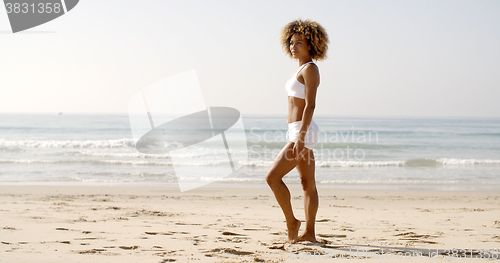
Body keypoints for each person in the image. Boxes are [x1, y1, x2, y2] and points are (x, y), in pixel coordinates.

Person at [266, 19, 329, 243]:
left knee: (272, 177)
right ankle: (310, 233)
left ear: (310, 44)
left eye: (299, 42)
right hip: (297, 129)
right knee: (307, 184)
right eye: (291, 43)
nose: (294, 46)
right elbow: (296, 100)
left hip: (303, 131)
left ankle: (292, 222)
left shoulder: (311, 69)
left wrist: (300, 136)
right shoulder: (300, 68)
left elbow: (310, 105)